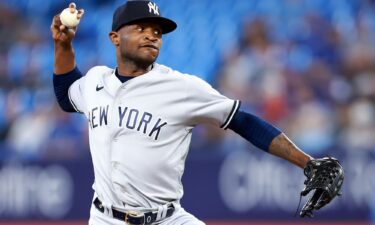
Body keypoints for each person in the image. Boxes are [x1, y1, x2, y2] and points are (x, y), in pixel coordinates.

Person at [51, 1, 340, 224]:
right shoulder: (95, 80)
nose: (152, 36)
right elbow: (67, 95)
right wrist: (63, 45)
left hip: (166, 218)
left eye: (157, 32)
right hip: (103, 217)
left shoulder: (182, 87)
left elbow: (243, 121)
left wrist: (307, 162)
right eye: (141, 28)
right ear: (115, 37)